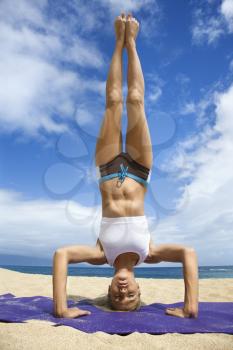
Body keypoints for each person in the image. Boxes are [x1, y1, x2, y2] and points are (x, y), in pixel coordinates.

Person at [53, 13, 199, 319]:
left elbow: (61, 255)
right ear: (138, 286)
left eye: (118, 296)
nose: (123, 291)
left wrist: (62, 308)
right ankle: (131, 41)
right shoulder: (150, 253)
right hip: (140, 169)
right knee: (134, 100)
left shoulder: (100, 255)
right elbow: (189, 254)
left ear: (107, 289)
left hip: (107, 167)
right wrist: (190, 307)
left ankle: (118, 39)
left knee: (113, 101)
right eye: (131, 294)